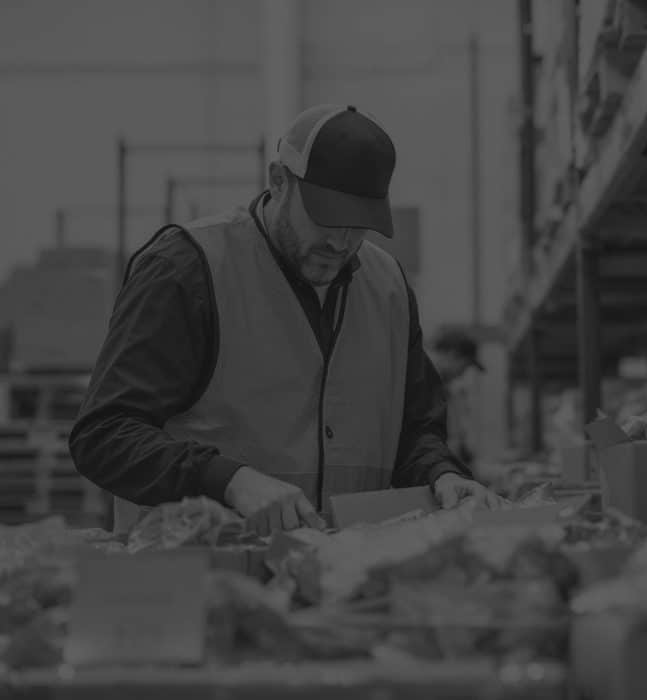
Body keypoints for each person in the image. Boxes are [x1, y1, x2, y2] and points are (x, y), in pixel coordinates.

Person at [71, 104, 501, 534]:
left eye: (359, 225)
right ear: (279, 182)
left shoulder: (387, 286)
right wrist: (229, 481)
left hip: (335, 578)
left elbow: (414, 429)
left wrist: (442, 474)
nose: (341, 241)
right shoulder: (187, 270)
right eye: (326, 217)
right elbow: (105, 435)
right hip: (198, 577)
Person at [429, 328, 485, 466]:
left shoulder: (447, 390)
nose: (463, 373)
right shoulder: (425, 387)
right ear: (452, 355)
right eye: (465, 366)